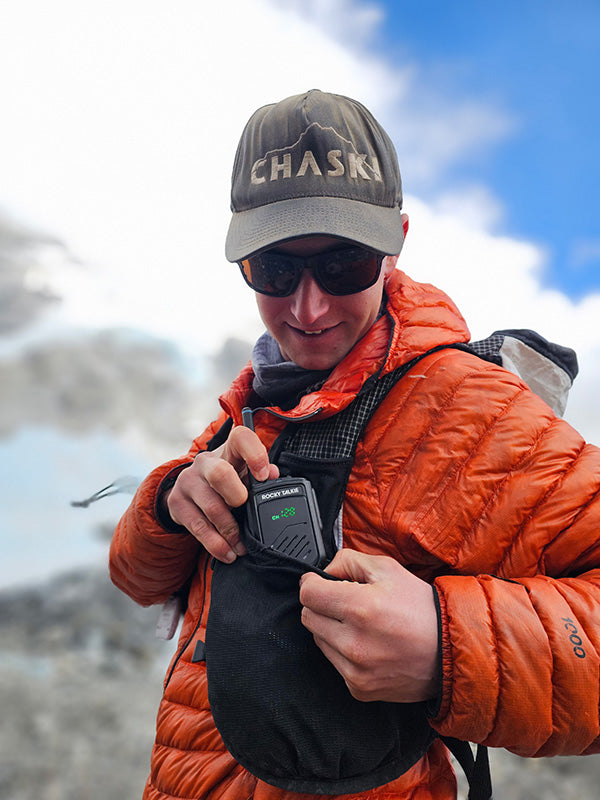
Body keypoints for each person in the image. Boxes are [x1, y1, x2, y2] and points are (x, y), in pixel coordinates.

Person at [110, 90, 600, 800]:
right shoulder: (252, 402)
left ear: (395, 241)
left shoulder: (470, 409)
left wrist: (445, 646)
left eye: (343, 267)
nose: (307, 310)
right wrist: (168, 499)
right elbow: (136, 579)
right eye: (275, 272)